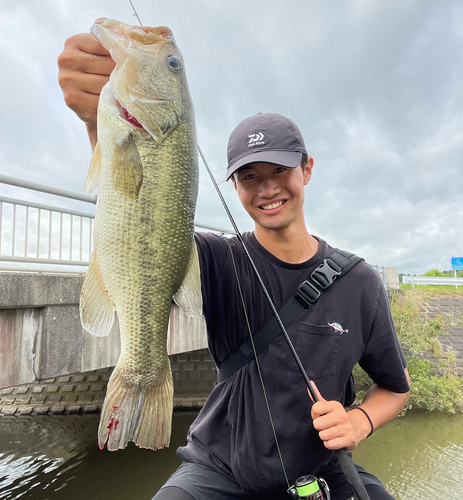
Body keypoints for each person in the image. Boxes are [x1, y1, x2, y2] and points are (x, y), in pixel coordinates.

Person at [58, 34, 410, 500]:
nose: (266, 189)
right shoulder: (219, 260)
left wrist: (358, 421)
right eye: (249, 176)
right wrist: (100, 128)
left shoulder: (360, 282)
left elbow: (395, 388)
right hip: (217, 470)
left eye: (279, 170)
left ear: (306, 170)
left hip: (321, 472)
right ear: (235, 186)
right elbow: (144, 222)